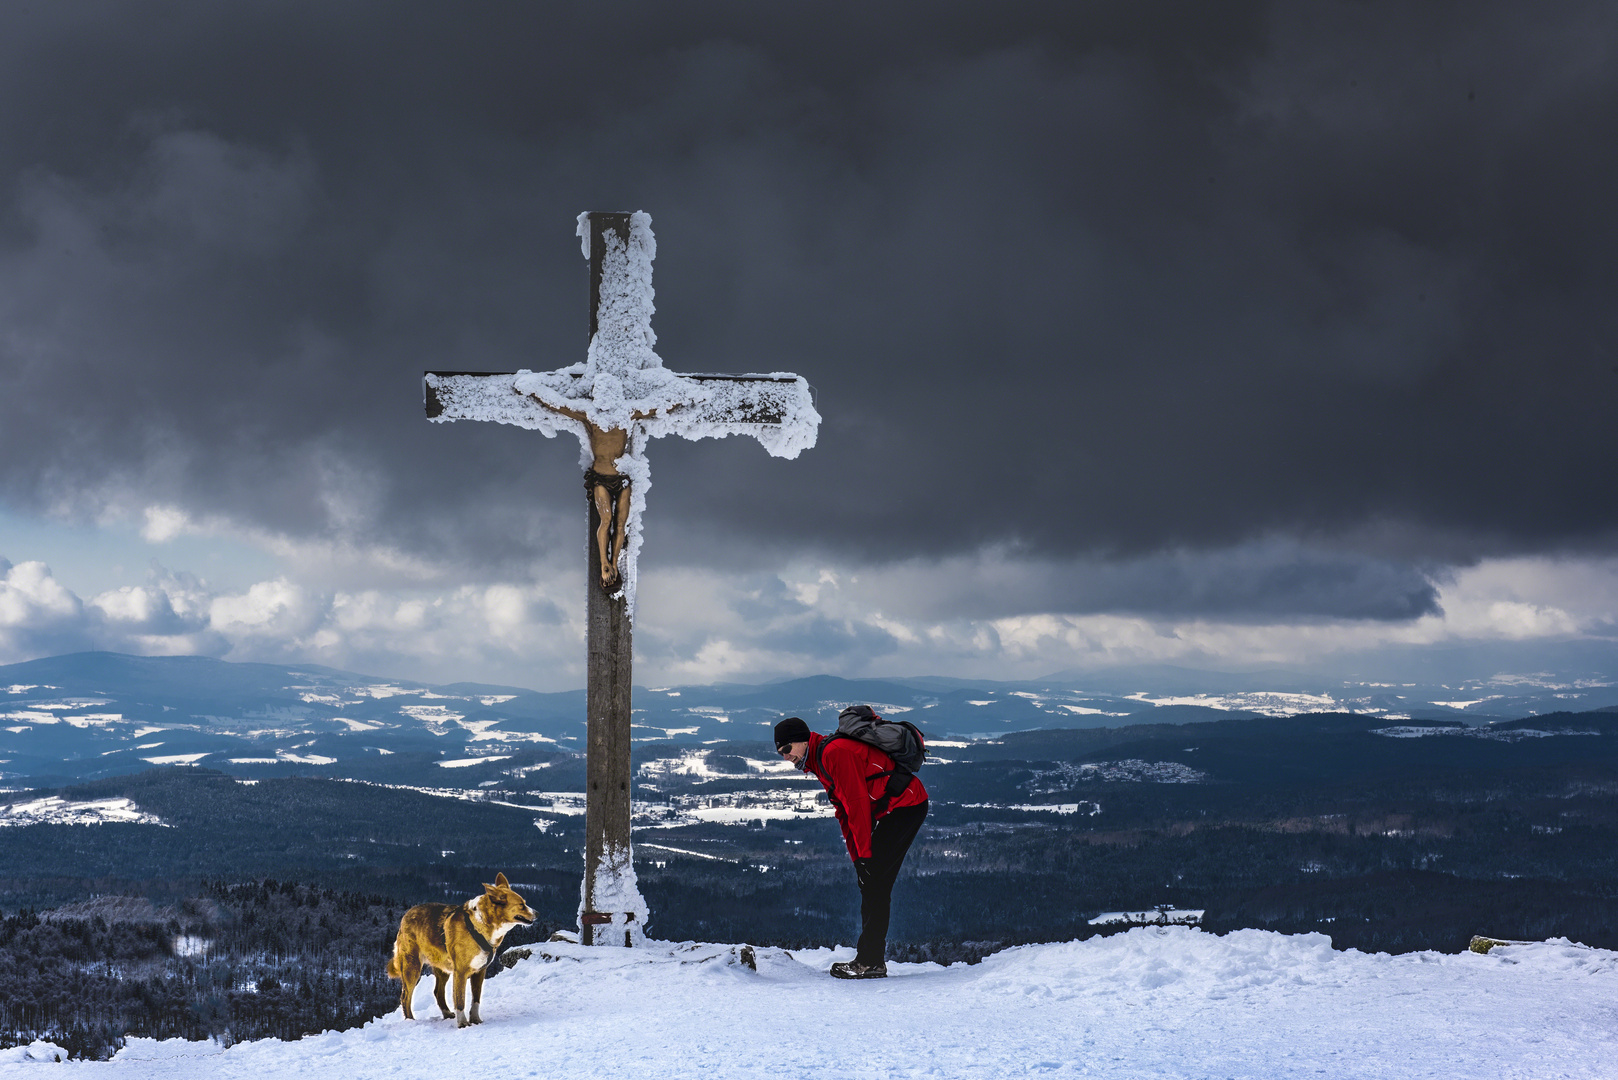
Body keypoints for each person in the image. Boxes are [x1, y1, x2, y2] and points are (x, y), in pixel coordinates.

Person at [775, 711, 928, 979]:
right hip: (893, 810)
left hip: (906, 807)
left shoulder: (834, 754)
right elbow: (843, 812)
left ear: (801, 740)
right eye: (780, 753)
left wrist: (867, 857)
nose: (786, 757)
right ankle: (871, 960)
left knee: (876, 884)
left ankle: (870, 962)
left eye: (787, 749)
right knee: (872, 884)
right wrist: (858, 859)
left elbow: (858, 808)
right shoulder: (819, 761)